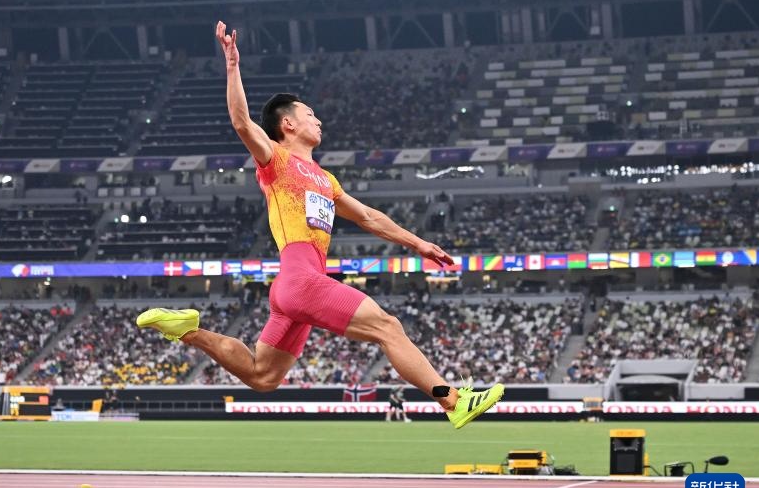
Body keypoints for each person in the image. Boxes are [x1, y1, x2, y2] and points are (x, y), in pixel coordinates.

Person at [137, 21, 504, 429]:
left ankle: (187, 331)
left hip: (295, 287)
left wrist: (418, 243)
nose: (319, 120)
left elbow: (367, 216)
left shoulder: (325, 180)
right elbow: (242, 123)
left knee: (262, 375)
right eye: (310, 114)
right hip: (301, 279)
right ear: (288, 125)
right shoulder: (275, 160)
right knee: (388, 326)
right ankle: (453, 400)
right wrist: (232, 64)